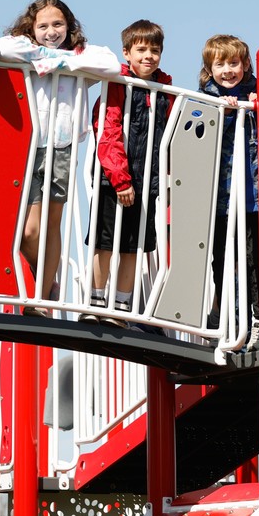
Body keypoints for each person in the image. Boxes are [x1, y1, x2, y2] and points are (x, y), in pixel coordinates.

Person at [0, 0, 120, 317]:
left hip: (62, 144)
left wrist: (61, 62)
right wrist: (44, 56)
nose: (51, 31)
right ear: (31, 28)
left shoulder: (79, 54)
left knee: (52, 223)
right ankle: (48, 280)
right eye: (43, 26)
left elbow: (110, 63)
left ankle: (41, 298)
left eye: (58, 24)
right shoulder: (25, 49)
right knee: (26, 230)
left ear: (69, 27)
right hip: (27, 143)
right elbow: (2, 48)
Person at [83, 19, 172, 328]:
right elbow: (107, 133)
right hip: (115, 180)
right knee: (105, 244)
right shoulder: (117, 86)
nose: (149, 56)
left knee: (134, 247)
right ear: (127, 53)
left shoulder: (165, 91)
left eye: (155, 50)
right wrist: (121, 179)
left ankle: (121, 306)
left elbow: (173, 137)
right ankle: (95, 302)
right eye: (142, 49)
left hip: (149, 182)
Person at [199, 35, 259, 342]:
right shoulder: (205, 97)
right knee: (222, 260)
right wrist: (220, 115)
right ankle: (226, 318)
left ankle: (258, 320)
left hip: (255, 200)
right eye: (219, 64)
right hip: (221, 200)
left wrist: (257, 107)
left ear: (245, 65)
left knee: (255, 261)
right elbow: (196, 134)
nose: (227, 70)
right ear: (210, 69)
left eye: (233, 63)